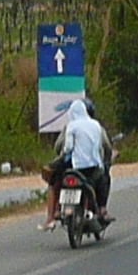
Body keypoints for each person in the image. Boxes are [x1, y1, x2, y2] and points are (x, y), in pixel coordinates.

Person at [43, 96, 111, 227]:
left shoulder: (70, 127)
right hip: (93, 167)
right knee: (104, 178)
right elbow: (103, 147)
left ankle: (53, 213)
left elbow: (62, 147)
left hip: (73, 167)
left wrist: (65, 155)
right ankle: (102, 209)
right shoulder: (97, 126)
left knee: (55, 182)